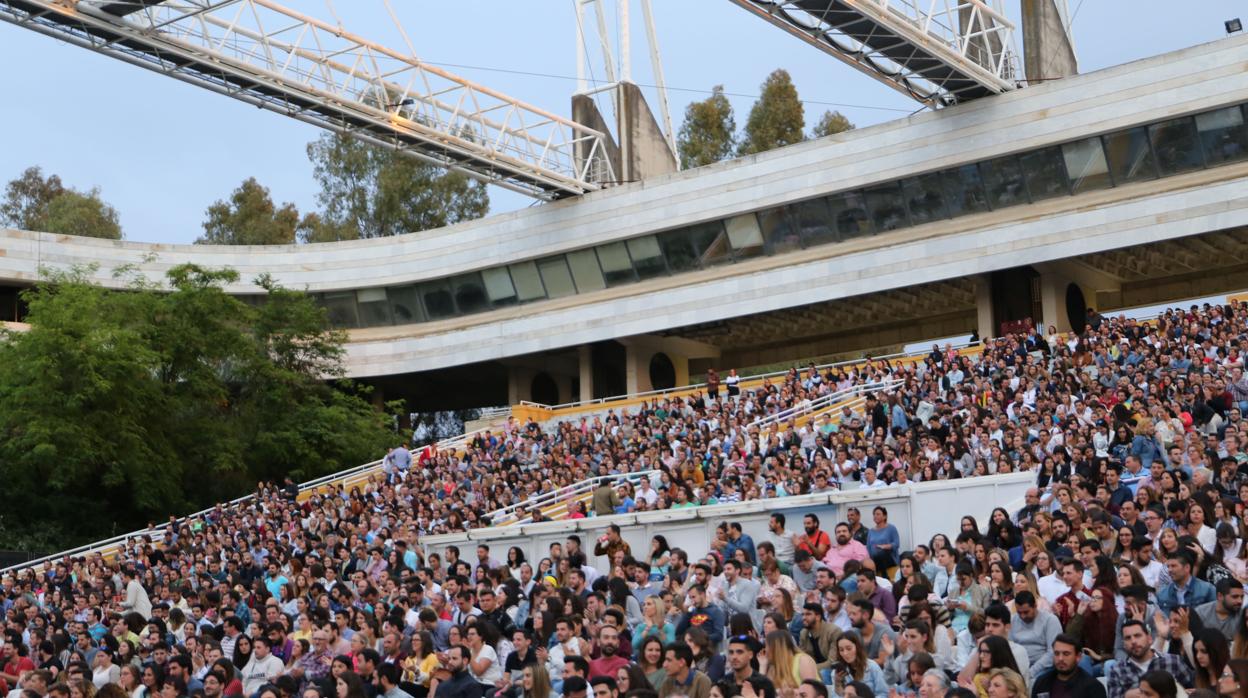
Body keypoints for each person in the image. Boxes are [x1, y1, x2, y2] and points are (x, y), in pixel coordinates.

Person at [1106, 620, 1192, 698]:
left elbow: (1192, 688)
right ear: (1124, 644)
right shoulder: (1117, 670)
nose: (1133, 641)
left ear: (1149, 639)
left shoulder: (1173, 661)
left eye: (1137, 636)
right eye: (1128, 638)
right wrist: (1126, 695)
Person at [1029, 634, 1106, 698]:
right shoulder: (1042, 683)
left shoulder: (1093, 688)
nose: (1060, 658)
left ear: (1078, 657)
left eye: (1066, 654)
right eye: (1056, 653)